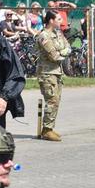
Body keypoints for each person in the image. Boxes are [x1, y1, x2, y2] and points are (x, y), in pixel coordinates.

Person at [36, 10, 71, 142]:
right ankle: (46, 130)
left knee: (56, 100)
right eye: (58, 19)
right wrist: (62, 52)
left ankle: (49, 128)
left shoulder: (58, 33)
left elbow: (68, 47)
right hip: (47, 73)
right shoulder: (44, 36)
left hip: (57, 72)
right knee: (52, 100)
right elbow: (53, 56)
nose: (61, 21)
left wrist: (62, 51)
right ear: (51, 20)